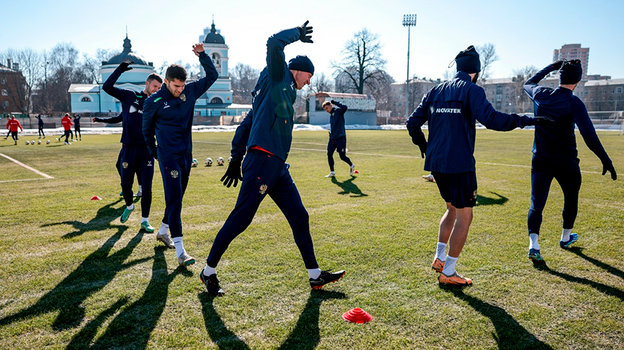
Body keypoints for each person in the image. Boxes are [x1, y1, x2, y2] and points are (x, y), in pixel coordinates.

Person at [200, 21, 345, 297]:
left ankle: (315, 276)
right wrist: (297, 35)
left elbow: (248, 122)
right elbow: (273, 43)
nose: (309, 82)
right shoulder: (278, 76)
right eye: (309, 76)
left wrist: (234, 156)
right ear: (298, 71)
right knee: (241, 218)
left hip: (277, 166)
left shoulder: (280, 91)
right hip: (262, 162)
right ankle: (208, 272)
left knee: (300, 217)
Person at [406, 45, 540, 286]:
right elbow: (493, 120)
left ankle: (439, 258)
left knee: (451, 208)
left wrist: (425, 147)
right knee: (465, 216)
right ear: (476, 71)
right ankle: (449, 272)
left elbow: (411, 123)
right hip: (460, 165)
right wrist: (526, 120)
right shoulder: (472, 90)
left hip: (437, 164)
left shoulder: (435, 91)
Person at [523, 60, 617, 262]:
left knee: (536, 203)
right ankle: (565, 238)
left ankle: (534, 245)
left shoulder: (541, 94)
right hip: (567, 162)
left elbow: (528, 82)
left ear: (560, 77)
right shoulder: (574, 103)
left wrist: (551, 66)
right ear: (578, 80)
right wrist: (605, 159)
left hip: (540, 159)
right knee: (571, 198)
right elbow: (589, 136)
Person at [143, 43, 218, 267]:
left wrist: (202, 56)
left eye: (182, 85)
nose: (180, 89)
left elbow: (212, 75)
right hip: (168, 158)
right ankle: (180, 251)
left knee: (178, 198)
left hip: (187, 156)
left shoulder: (190, 91)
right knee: (174, 200)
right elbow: (146, 132)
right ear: (166, 82)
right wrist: (156, 153)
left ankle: (164, 230)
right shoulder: (153, 102)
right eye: (176, 86)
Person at [95, 59, 163, 233]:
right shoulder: (130, 96)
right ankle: (129, 205)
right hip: (128, 149)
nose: (156, 90)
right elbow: (107, 87)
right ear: (147, 84)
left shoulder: (158, 104)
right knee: (126, 185)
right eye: (154, 86)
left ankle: (145, 221)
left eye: (159, 88)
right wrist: (120, 69)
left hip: (147, 151)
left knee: (147, 187)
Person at [322, 100, 356, 177]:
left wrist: (335, 103)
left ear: (331, 105)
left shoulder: (338, 111)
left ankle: (351, 165)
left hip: (340, 138)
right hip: (332, 139)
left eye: (327, 108)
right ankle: (332, 172)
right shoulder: (331, 115)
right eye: (325, 109)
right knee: (329, 154)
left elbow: (345, 107)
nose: (326, 110)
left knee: (342, 157)